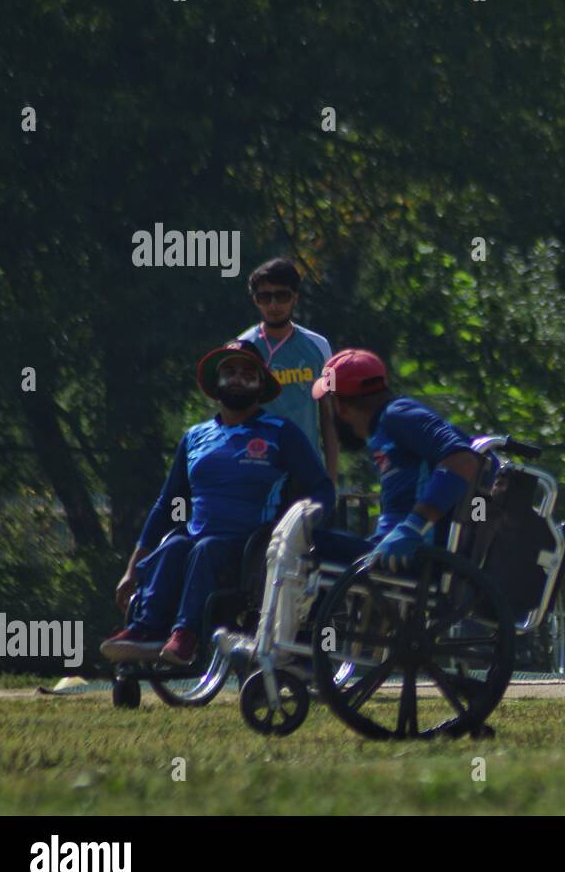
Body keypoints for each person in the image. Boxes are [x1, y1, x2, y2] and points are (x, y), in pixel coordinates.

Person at [101, 343, 334, 666]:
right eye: (230, 372)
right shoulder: (195, 437)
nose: (238, 379)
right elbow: (167, 505)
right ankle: (145, 631)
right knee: (174, 546)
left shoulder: (281, 433)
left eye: (247, 373)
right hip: (199, 542)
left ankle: (186, 636)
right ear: (216, 384)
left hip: (253, 548)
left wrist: (303, 529)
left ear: (260, 384)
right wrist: (130, 570)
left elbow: (321, 489)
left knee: (204, 548)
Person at [307, 349, 483, 573]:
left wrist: (413, 527)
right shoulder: (385, 425)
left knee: (306, 541)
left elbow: (464, 460)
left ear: (340, 406)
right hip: (387, 550)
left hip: (417, 555)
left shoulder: (398, 415)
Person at [236, 258, 339, 484]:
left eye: (281, 296)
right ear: (255, 301)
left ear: (295, 298)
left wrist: (330, 480)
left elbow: (328, 418)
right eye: (265, 297)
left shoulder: (320, 346)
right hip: (257, 472)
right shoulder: (243, 347)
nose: (273, 306)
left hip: (305, 472)